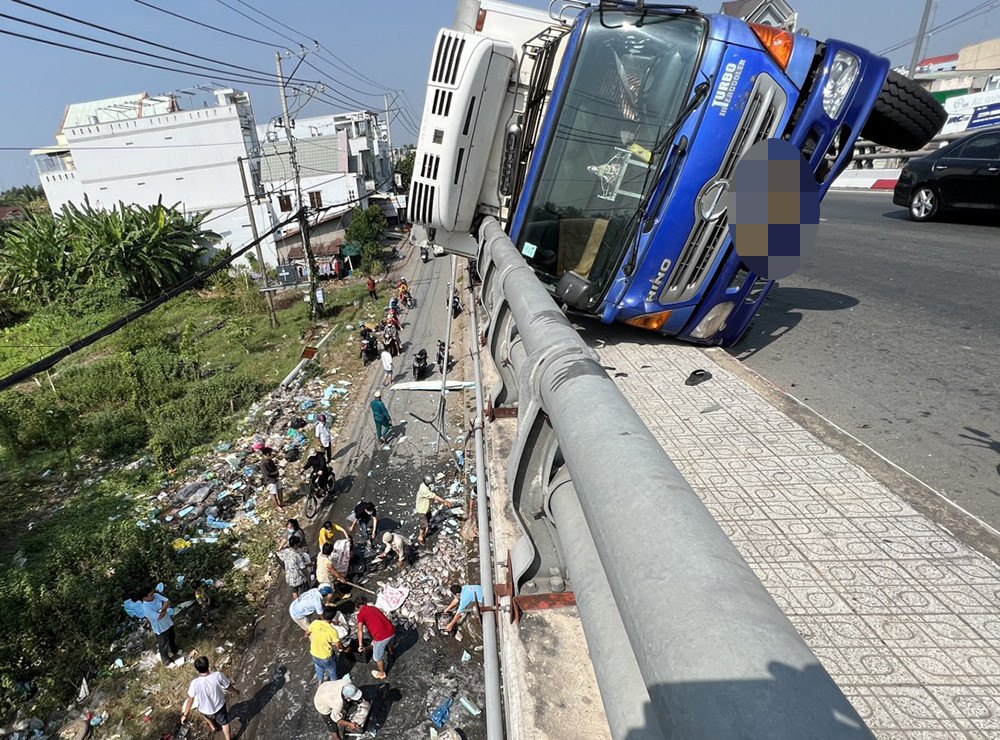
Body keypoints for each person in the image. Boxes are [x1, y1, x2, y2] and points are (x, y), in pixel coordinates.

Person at [181, 656, 240, 739]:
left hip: (204, 709)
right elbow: (228, 686)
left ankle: (213, 727)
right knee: (224, 724)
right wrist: (235, 691)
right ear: (208, 665)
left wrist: (185, 715)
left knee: (206, 716)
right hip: (219, 706)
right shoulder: (217, 675)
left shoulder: (194, 683)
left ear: (197, 669)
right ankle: (228, 738)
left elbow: (190, 700)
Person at [305, 606, 349, 684]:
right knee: (332, 670)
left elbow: (307, 633)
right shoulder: (332, 631)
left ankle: (320, 682)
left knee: (319, 668)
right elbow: (338, 645)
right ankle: (335, 684)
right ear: (333, 617)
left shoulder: (315, 623)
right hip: (325, 656)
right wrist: (345, 649)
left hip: (314, 652)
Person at [140, 586, 182, 667]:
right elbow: (159, 617)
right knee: (163, 644)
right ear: (145, 597)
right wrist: (165, 608)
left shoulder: (156, 595)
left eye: (153, 593)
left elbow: (167, 601)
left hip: (168, 621)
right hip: (160, 628)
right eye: (151, 595)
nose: (153, 595)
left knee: (172, 637)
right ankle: (166, 661)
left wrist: (161, 609)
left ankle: (174, 650)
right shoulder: (146, 608)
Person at [355, 599, 396, 680]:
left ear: (357, 608)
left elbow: (360, 630)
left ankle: (382, 673)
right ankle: (391, 651)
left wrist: (360, 645)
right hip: (392, 630)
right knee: (390, 642)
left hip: (382, 637)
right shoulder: (374, 608)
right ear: (365, 603)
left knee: (377, 657)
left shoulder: (360, 614)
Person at [415, 474, 456, 546]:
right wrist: (446, 502)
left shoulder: (424, 485)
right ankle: (420, 537)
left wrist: (433, 500)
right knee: (424, 525)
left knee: (428, 519)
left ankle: (428, 530)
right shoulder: (424, 490)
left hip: (426, 507)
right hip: (422, 510)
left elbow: (432, 496)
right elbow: (434, 496)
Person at [259, 446, 285, 513]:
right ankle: (277, 506)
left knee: (280, 489)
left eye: (270, 454)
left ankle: (282, 502)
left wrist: (277, 472)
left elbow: (274, 467)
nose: (270, 456)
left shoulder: (270, 460)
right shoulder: (262, 464)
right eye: (268, 455)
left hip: (276, 477)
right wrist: (276, 472)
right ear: (264, 455)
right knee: (273, 493)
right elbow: (267, 474)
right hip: (270, 480)